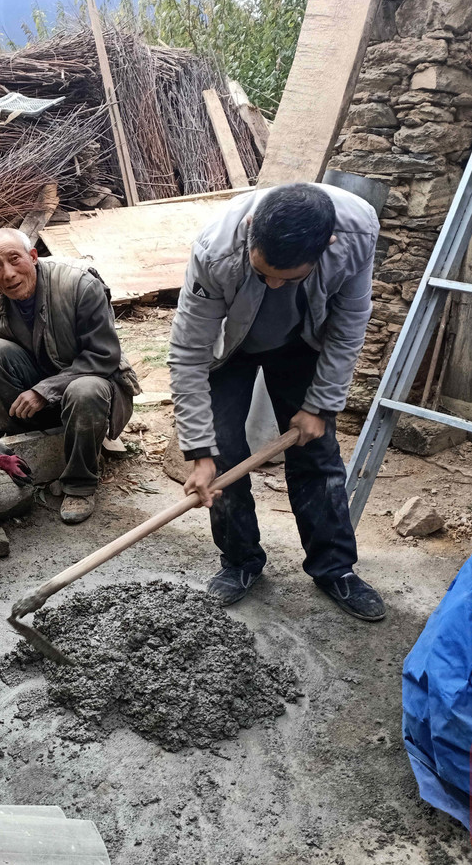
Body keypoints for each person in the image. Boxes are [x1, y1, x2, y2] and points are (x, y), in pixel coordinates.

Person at [169, 182, 386, 621]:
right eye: (263, 271)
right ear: (251, 228)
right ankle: (240, 561)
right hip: (229, 345)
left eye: (289, 277)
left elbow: (348, 326)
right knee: (222, 453)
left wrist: (320, 406)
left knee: (317, 453)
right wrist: (199, 451)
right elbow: (189, 352)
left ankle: (334, 568)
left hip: (302, 341)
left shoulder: (357, 232)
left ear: (327, 245)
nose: (273, 284)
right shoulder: (215, 249)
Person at [0, 227, 140, 524]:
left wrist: (44, 391)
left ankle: (79, 484)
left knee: (85, 390)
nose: (8, 274)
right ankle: (23, 448)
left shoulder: (78, 285)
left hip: (92, 381)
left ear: (33, 256)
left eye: (14, 259)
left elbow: (103, 355)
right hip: (41, 384)